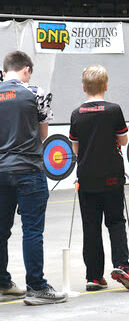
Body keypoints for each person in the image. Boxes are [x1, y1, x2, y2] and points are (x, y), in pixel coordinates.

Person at [0, 51, 68, 305]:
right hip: (28, 169)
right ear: (27, 70)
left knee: (0, 231)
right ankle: (37, 287)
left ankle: (3, 283)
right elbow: (42, 134)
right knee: (32, 230)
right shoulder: (36, 93)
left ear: (5, 71)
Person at [69, 65, 129, 291]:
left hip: (87, 178)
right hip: (111, 177)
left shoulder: (76, 113)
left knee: (91, 226)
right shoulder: (113, 110)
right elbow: (123, 140)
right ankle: (122, 265)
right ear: (106, 85)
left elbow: (75, 149)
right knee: (116, 222)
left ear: (83, 87)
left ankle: (94, 276)